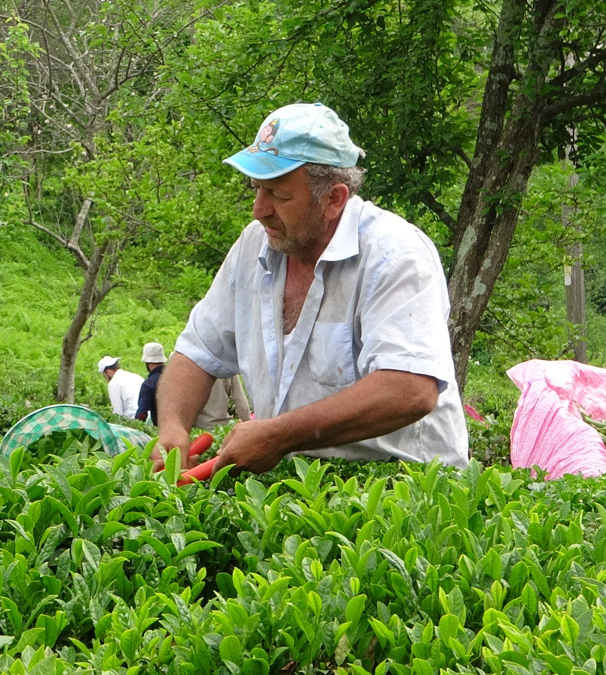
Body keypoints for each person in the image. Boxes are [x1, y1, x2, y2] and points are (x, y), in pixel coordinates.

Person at [154, 102, 469, 474]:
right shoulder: (254, 246)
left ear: (333, 199)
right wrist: (172, 428)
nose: (259, 210)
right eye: (257, 189)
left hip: (402, 487)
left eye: (278, 195)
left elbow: (410, 389)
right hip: (296, 484)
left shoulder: (394, 254)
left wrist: (277, 436)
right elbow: (197, 350)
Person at [134, 342, 166, 424]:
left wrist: (136, 425)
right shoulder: (174, 376)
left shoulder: (148, 385)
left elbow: (142, 414)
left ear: (147, 363)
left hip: (162, 428)